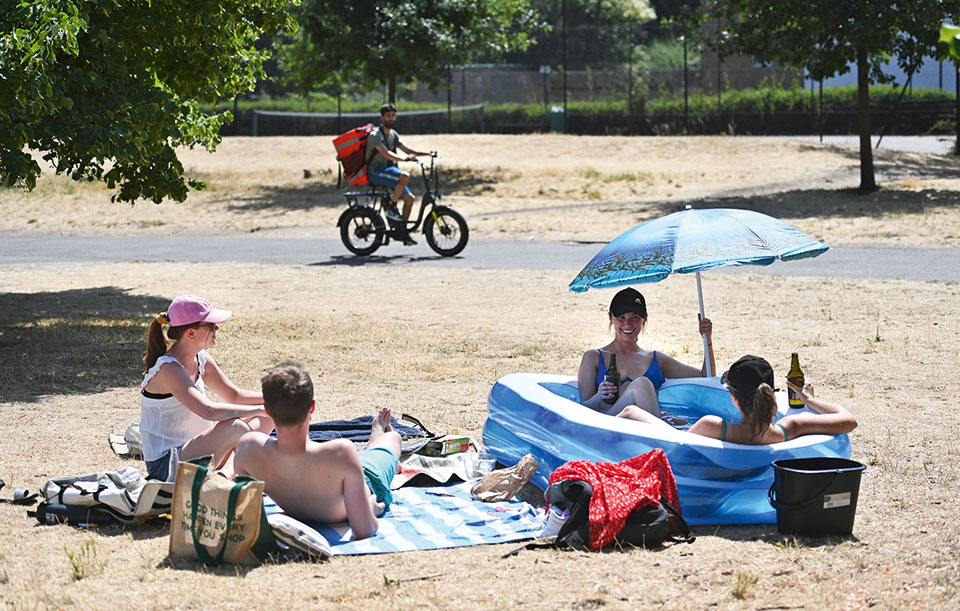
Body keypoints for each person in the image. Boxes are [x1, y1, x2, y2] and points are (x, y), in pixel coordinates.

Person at [235, 362, 401, 540]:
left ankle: (373, 442)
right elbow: (363, 530)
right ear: (312, 407)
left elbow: (242, 514)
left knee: (368, 455)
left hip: (346, 468)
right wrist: (370, 509)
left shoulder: (248, 448)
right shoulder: (340, 452)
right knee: (392, 439)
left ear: (267, 410)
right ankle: (377, 437)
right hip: (368, 478)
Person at [140, 295, 274, 482]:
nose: (216, 328)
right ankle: (260, 470)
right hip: (165, 465)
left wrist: (279, 400)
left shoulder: (200, 358)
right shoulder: (169, 368)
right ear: (191, 333)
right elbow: (208, 411)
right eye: (211, 324)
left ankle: (224, 475)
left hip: (198, 450)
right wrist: (260, 408)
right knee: (235, 427)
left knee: (272, 415)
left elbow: (234, 396)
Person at [619, 354, 858, 444]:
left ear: (733, 398)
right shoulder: (791, 427)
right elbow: (848, 420)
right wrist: (809, 400)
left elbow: (680, 450)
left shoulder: (714, 425)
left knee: (631, 412)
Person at [578, 287, 715, 418]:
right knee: (641, 384)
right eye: (621, 317)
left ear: (645, 319)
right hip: (607, 424)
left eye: (635, 317)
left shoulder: (655, 359)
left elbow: (706, 376)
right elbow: (582, 409)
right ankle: (664, 437)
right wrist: (599, 396)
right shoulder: (593, 357)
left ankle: (663, 431)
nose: (628, 324)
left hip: (645, 428)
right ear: (611, 318)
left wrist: (707, 338)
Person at [364, 102, 434, 246]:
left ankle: (401, 231)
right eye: (388, 116)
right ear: (382, 117)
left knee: (409, 199)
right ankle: (392, 206)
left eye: (393, 116)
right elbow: (386, 153)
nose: (391, 118)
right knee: (405, 175)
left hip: (387, 171)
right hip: (375, 172)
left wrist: (427, 153)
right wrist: (404, 159)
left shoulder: (393, 134)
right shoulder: (375, 135)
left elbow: (408, 150)